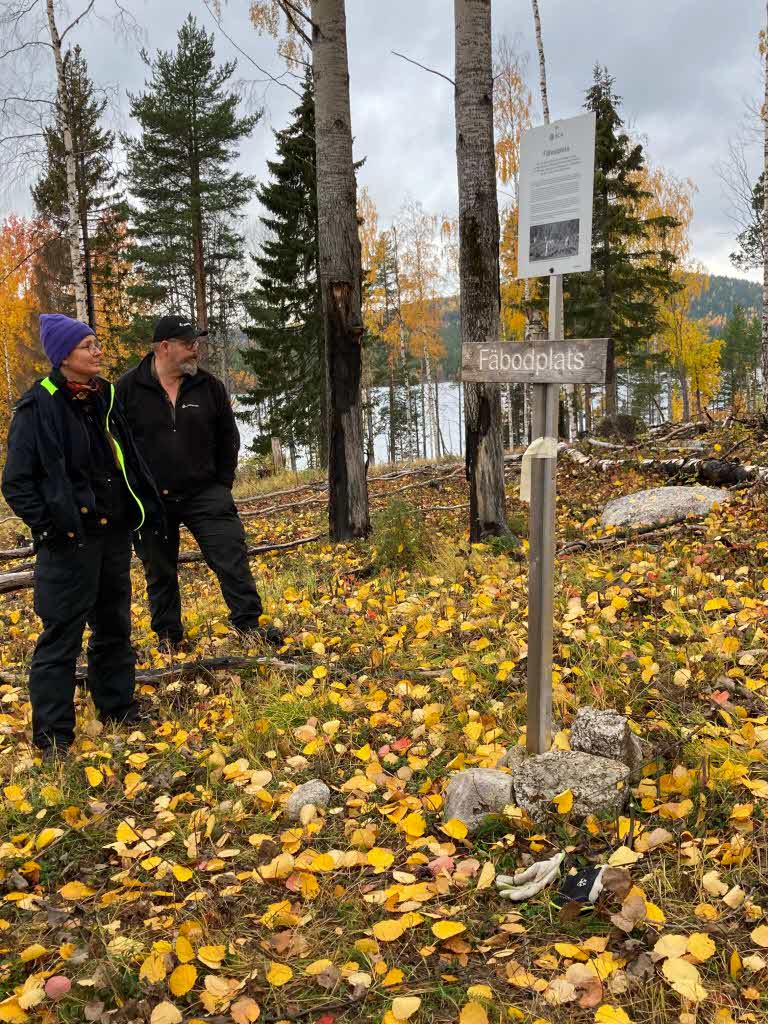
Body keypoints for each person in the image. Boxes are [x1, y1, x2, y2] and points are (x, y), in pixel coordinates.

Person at [1, 314, 166, 760]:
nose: (97, 352)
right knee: (61, 636)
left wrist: (142, 507)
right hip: (68, 540)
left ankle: (118, 706)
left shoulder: (104, 397)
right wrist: (52, 525)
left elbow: (125, 459)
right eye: (88, 345)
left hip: (112, 533)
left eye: (96, 343)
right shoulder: (39, 406)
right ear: (64, 356)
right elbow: (16, 482)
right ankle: (53, 737)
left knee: (114, 625)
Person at [116, 315, 281, 649]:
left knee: (231, 557)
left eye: (197, 344)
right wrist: (133, 493)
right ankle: (169, 637)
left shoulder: (209, 386)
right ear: (164, 348)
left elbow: (228, 438)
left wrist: (222, 484)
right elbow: (115, 445)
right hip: (151, 500)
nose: (195, 351)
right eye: (189, 344)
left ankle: (248, 626)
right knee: (159, 572)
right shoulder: (127, 390)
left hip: (205, 493)